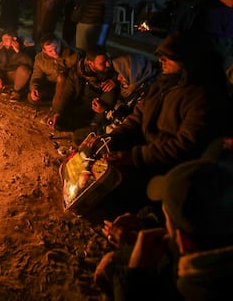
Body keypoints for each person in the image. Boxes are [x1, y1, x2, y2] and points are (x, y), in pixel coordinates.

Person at [97, 32, 232, 218]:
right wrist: (112, 139)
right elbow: (137, 117)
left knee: (113, 196)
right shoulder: (163, 84)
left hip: (166, 165)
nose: (161, 60)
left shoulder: (202, 96)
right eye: (161, 56)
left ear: (187, 61)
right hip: (146, 150)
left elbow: (185, 146)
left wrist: (135, 157)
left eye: (168, 57)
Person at [94, 150, 233, 300]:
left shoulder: (193, 289)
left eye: (167, 215)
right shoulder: (212, 243)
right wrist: (146, 222)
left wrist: (136, 274)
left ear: (183, 242)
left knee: (109, 265)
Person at [47, 47, 119, 132]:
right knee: (59, 123)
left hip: (99, 109)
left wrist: (116, 80)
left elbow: (125, 75)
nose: (108, 64)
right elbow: (68, 93)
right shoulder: (77, 72)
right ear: (91, 64)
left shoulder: (111, 71)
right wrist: (58, 113)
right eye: (103, 63)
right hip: (81, 105)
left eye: (108, 60)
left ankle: (95, 125)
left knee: (110, 92)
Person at [28, 34, 83, 113]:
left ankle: (58, 108)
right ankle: (56, 104)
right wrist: (34, 88)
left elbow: (79, 80)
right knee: (31, 98)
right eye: (50, 51)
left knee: (61, 77)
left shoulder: (73, 56)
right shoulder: (40, 59)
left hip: (67, 89)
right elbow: (36, 76)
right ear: (44, 51)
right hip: (51, 87)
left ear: (60, 43)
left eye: (56, 48)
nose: (55, 52)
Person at [0, 32, 33, 101]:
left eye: (6, 39)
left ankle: (17, 92)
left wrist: (18, 52)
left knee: (23, 70)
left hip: (18, 77)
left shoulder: (26, 48)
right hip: (5, 76)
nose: (4, 42)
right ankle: (7, 90)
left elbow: (30, 63)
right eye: (3, 40)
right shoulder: (1, 50)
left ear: (14, 39)